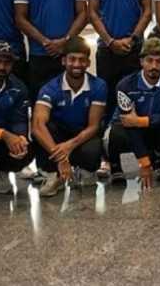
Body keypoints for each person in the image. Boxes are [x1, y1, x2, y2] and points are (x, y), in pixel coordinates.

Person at [88, 0, 153, 178]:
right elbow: (93, 12)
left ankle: (146, 155)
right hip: (107, 50)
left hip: (134, 49)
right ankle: (108, 159)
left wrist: (134, 38)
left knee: (137, 101)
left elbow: (147, 11)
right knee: (107, 103)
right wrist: (110, 40)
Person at [31, 37, 106, 197]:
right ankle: (54, 175)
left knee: (93, 150)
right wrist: (61, 158)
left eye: (82, 60)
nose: (77, 64)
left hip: (82, 136)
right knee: (43, 131)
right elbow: (37, 126)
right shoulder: (50, 88)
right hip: (58, 137)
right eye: (72, 59)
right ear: (64, 61)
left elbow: (93, 126)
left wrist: (69, 146)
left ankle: (84, 169)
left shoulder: (99, 86)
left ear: (88, 62)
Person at [106, 38, 160, 189]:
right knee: (116, 133)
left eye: (159, 61)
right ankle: (115, 166)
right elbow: (129, 124)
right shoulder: (125, 85)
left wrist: (142, 121)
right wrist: (143, 162)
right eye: (149, 61)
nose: (154, 66)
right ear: (141, 62)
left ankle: (155, 158)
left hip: (152, 125)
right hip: (128, 130)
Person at [0, 41, 33, 203]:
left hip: (3, 138)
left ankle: (1, 171)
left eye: (7, 62)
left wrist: (21, 137)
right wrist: (3, 134)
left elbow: (19, 119)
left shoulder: (19, 87)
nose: (2, 67)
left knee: (28, 149)